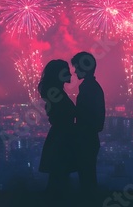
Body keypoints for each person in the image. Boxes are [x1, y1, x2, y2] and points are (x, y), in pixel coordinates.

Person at [38, 59, 77, 201]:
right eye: (66, 71)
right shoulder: (58, 95)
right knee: (60, 175)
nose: (71, 74)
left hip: (59, 138)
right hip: (62, 139)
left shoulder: (54, 94)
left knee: (57, 176)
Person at [71, 51, 105, 201]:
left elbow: (88, 117)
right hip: (90, 138)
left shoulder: (88, 88)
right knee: (89, 175)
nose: (75, 71)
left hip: (86, 139)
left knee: (86, 176)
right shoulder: (93, 87)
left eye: (77, 68)